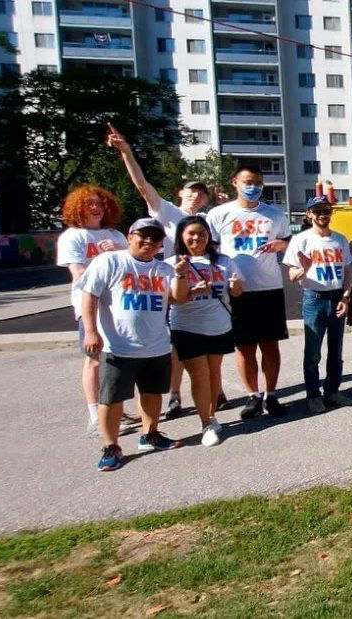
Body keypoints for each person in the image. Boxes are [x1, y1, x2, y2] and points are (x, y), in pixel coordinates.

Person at [105, 124, 228, 418]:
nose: (196, 196)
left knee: (211, 350)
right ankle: (174, 395)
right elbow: (142, 185)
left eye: (201, 193)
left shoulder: (209, 219)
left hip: (207, 288)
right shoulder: (168, 211)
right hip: (172, 280)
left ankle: (217, 392)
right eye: (191, 192)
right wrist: (127, 153)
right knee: (175, 345)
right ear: (180, 193)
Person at [81, 218, 191, 471]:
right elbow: (90, 294)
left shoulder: (164, 269)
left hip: (156, 345)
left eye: (155, 238)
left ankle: (150, 434)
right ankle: (111, 446)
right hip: (118, 346)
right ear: (130, 236)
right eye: (143, 236)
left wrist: (182, 274)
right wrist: (90, 331)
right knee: (112, 398)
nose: (149, 241)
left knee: (152, 393)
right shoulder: (110, 261)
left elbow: (178, 298)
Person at [205, 163, 291, 419]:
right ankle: (253, 395)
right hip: (236, 289)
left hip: (269, 287)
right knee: (244, 347)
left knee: (271, 346)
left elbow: (288, 242)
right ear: (235, 182)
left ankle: (271, 394)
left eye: (257, 183)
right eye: (247, 182)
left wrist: (281, 244)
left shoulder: (275, 215)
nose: (252, 187)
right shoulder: (219, 214)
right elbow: (211, 251)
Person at [56, 185, 128, 437]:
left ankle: (115, 406)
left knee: (118, 358)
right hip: (91, 307)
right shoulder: (72, 237)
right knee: (95, 359)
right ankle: (95, 414)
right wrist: (107, 262)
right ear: (78, 208)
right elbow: (79, 275)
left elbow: (131, 268)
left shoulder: (117, 236)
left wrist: (120, 253)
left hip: (120, 306)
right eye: (89, 204)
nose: (96, 208)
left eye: (99, 203)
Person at [166, 216, 242, 446]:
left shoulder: (223, 261)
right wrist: (182, 277)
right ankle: (206, 423)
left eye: (202, 233)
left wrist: (236, 286)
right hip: (188, 327)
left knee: (213, 372)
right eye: (191, 233)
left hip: (218, 325)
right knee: (199, 375)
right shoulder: (172, 263)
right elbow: (177, 299)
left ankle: (212, 415)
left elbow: (237, 291)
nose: (197, 238)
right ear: (181, 236)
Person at [283, 196, 352, 413]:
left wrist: (346, 297)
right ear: (309, 215)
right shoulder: (301, 240)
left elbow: (348, 271)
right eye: (318, 211)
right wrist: (304, 268)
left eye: (326, 210)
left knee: (336, 349)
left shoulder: (340, 240)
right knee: (313, 352)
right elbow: (292, 276)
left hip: (336, 297)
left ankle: (332, 391)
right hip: (314, 298)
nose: (323, 215)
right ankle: (313, 395)